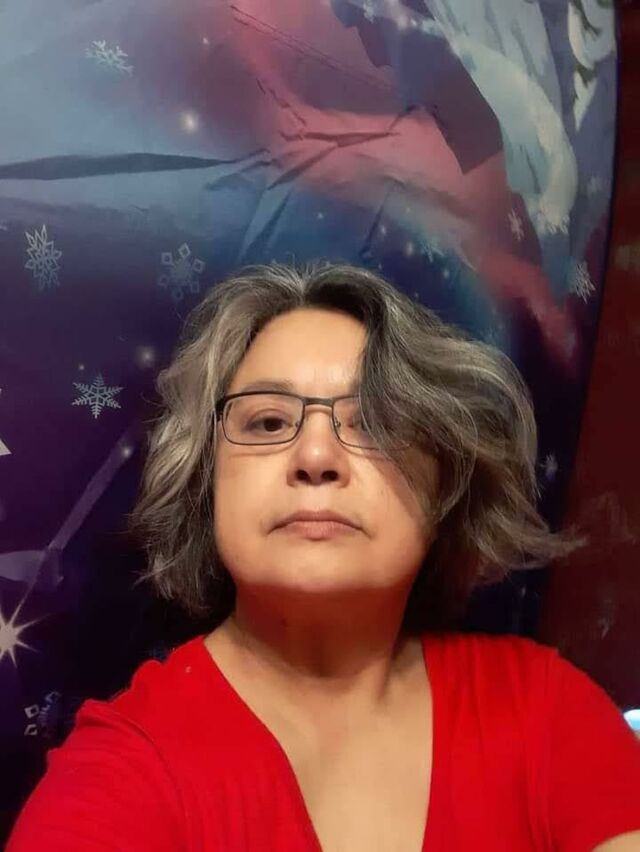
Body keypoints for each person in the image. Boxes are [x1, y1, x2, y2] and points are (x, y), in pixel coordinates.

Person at [7, 263, 640, 851]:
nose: (315, 457)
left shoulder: (545, 710)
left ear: (446, 487)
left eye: (377, 423)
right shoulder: (125, 773)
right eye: (267, 423)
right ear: (206, 481)